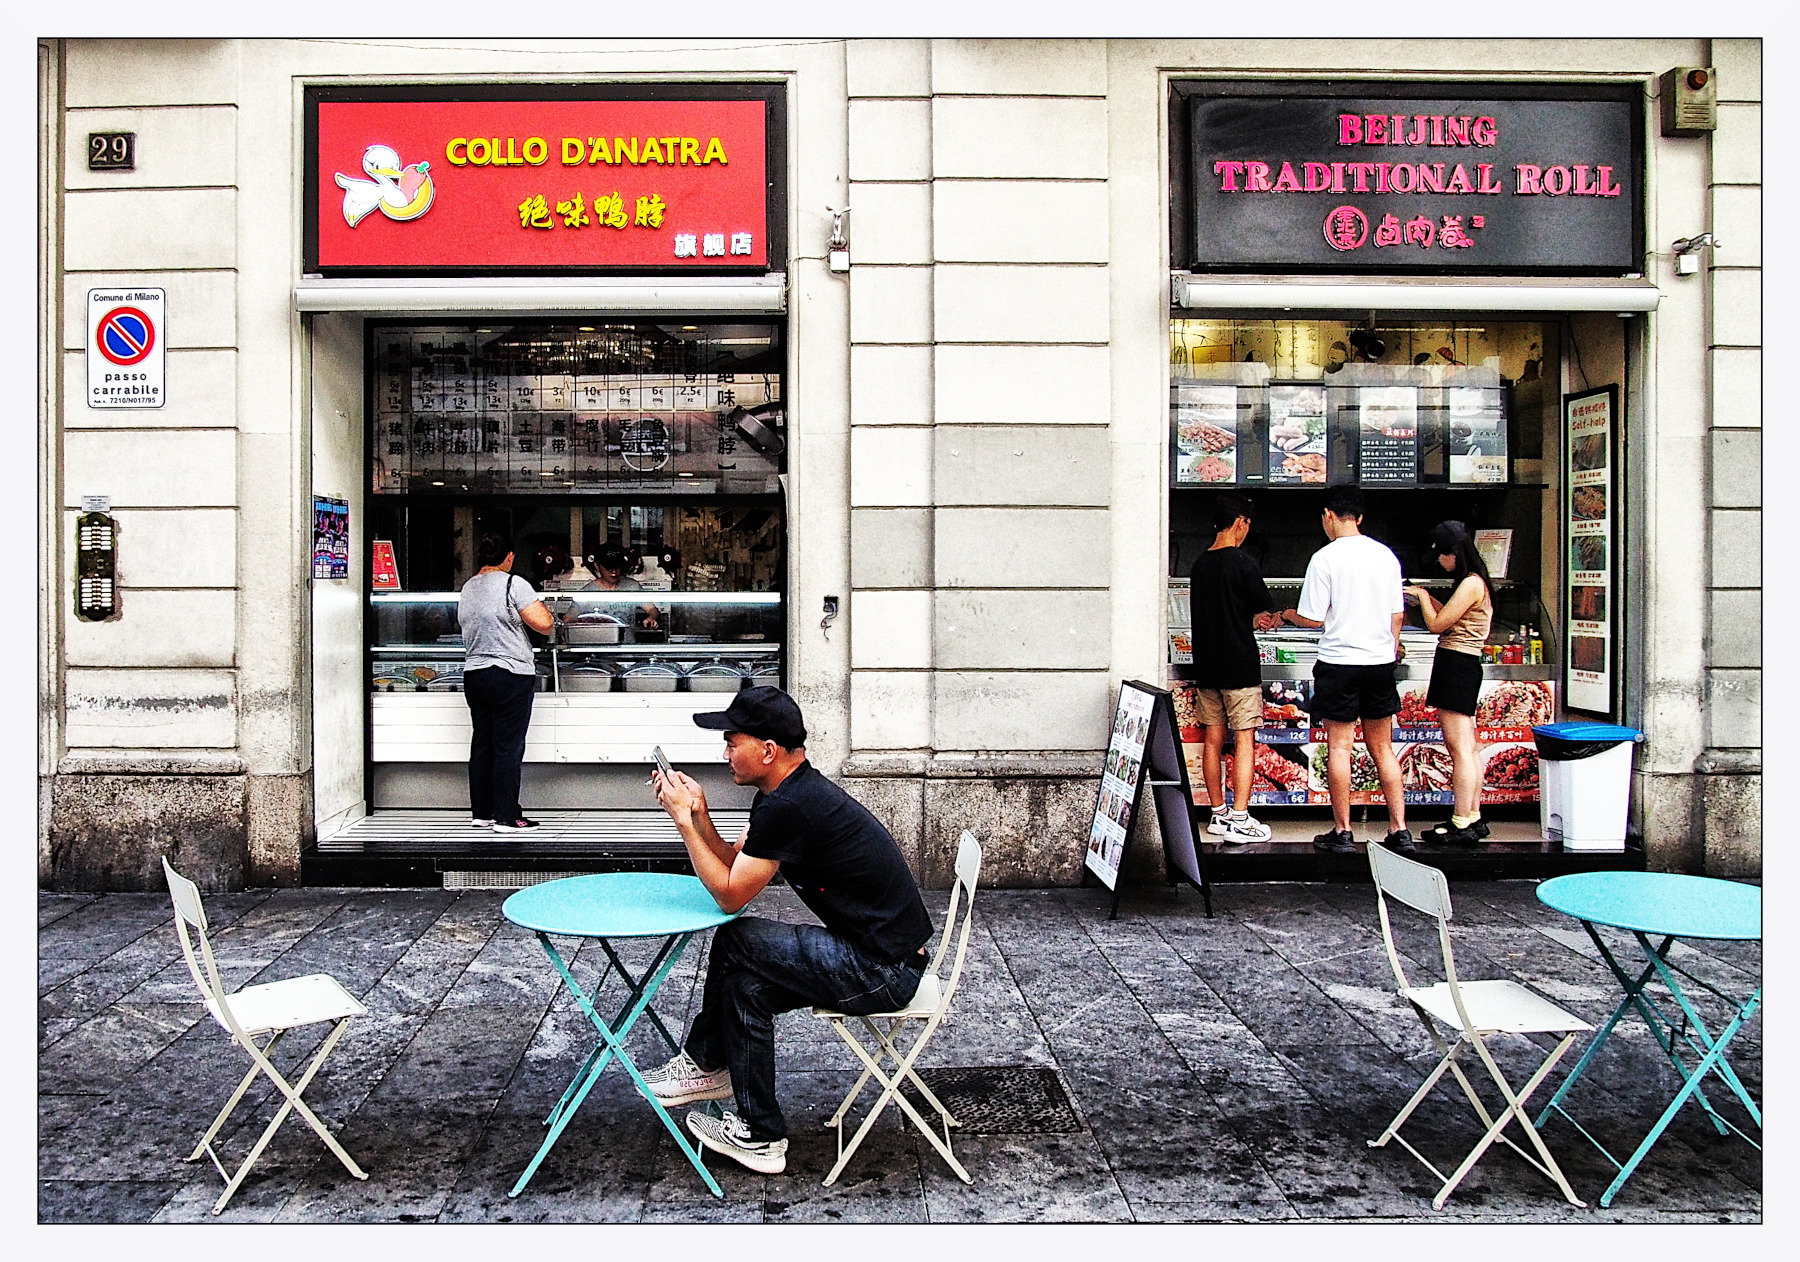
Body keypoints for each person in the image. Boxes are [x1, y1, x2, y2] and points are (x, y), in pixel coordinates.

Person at [645, 687, 934, 1175]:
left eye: (732, 741)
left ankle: (703, 1064)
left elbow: (731, 897)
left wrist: (682, 825)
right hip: (877, 954)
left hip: (884, 969)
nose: (724, 752)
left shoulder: (791, 806)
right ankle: (761, 1135)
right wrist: (701, 817)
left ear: (767, 750)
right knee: (744, 987)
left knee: (737, 938)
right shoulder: (783, 794)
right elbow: (736, 864)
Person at [1275, 486, 1414, 855]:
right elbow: (1396, 614)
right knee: (1382, 747)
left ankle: (1342, 830)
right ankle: (1400, 829)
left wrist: (1288, 614)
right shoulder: (1385, 556)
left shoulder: (1325, 558)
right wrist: (1390, 645)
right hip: (1379, 663)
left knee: (1340, 747)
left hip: (1339, 663)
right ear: (1361, 517)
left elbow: (1311, 618)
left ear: (1327, 515)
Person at [1187, 492, 1282, 843]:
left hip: (1207, 667)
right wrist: (1272, 619)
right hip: (1239, 666)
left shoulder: (1199, 564)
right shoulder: (1243, 563)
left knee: (1213, 740)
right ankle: (1240, 817)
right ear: (1240, 522)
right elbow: (1265, 613)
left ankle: (1218, 814)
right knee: (1244, 741)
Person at [1403, 521, 1495, 847]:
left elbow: (1437, 625)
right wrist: (1425, 600)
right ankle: (1473, 816)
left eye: (1441, 556)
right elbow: (1452, 618)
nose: (1440, 563)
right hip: (1463, 665)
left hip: (1456, 665)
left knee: (1459, 749)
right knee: (1468, 747)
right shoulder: (1474, 582)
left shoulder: (1471, 583)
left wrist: (1422, 596)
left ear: (1453, 553)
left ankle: (1460, 823)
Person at [458, 533, 555, 833]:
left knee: (483, 744)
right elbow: (545, 622)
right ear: (509, 557)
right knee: (508, 747)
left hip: (475, 674)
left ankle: (482, 812)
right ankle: (507, 816)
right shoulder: (513, 583)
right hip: (509, 672)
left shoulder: (468, 586)